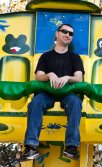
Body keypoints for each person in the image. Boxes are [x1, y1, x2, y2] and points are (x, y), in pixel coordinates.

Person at [22, 24, 84, 160]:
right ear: (57, 34)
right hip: (47, 92)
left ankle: (71, 147)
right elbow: (39, 76)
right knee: (35, 103)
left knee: (76, 102)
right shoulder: (45, 56)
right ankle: (31, 146)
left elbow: (79, 78)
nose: (68, 35)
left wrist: (67, 77)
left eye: (71, 34)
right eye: (65, 31)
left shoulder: (75, 58)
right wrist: (50, 75)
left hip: (67, 92)